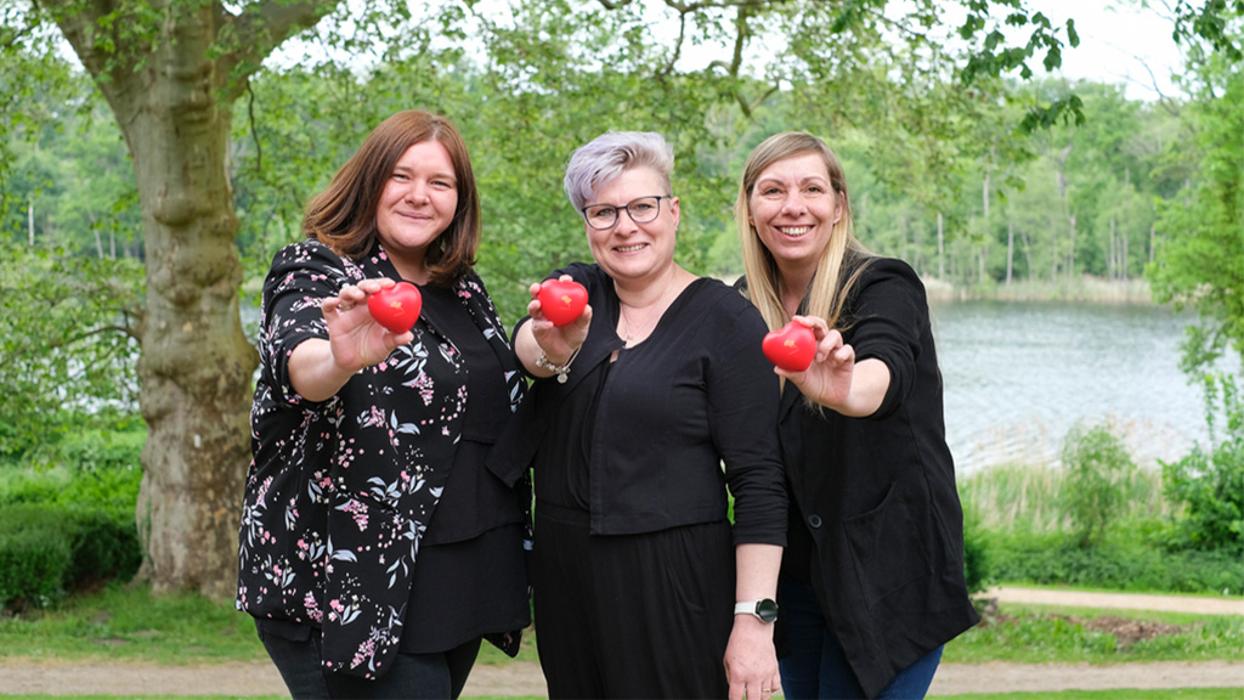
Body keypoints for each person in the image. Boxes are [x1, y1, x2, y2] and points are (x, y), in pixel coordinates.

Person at [235, 110, 530, 699]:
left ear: (459, 200)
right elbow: (302, 368)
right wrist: (342, 358)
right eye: (402, 176)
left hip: (454, 579)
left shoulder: (463, 288)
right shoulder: (318, 270)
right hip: (348, 586)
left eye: (440, 183)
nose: (420, 196)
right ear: (369, 181)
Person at [487, 131, 788, 699]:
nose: (625, 226)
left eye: (642, 206)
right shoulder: (578, 291)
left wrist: (753, 623)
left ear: (673, 212)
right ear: (588, 226)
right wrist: (555, 347)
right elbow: (526, 346)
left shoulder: (727, 321)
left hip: (676, 578)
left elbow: (759, 484)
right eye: (604, 212)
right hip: (565, 574)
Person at [734, 131, 980, 699]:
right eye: (772, 190)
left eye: (812, 189)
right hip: (796, 584)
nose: (793, 206)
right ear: (749, 210)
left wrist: (842, 389)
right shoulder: (743, 306)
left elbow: (878, 379)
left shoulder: (884, 284)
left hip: (888, 577)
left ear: (839, 204)